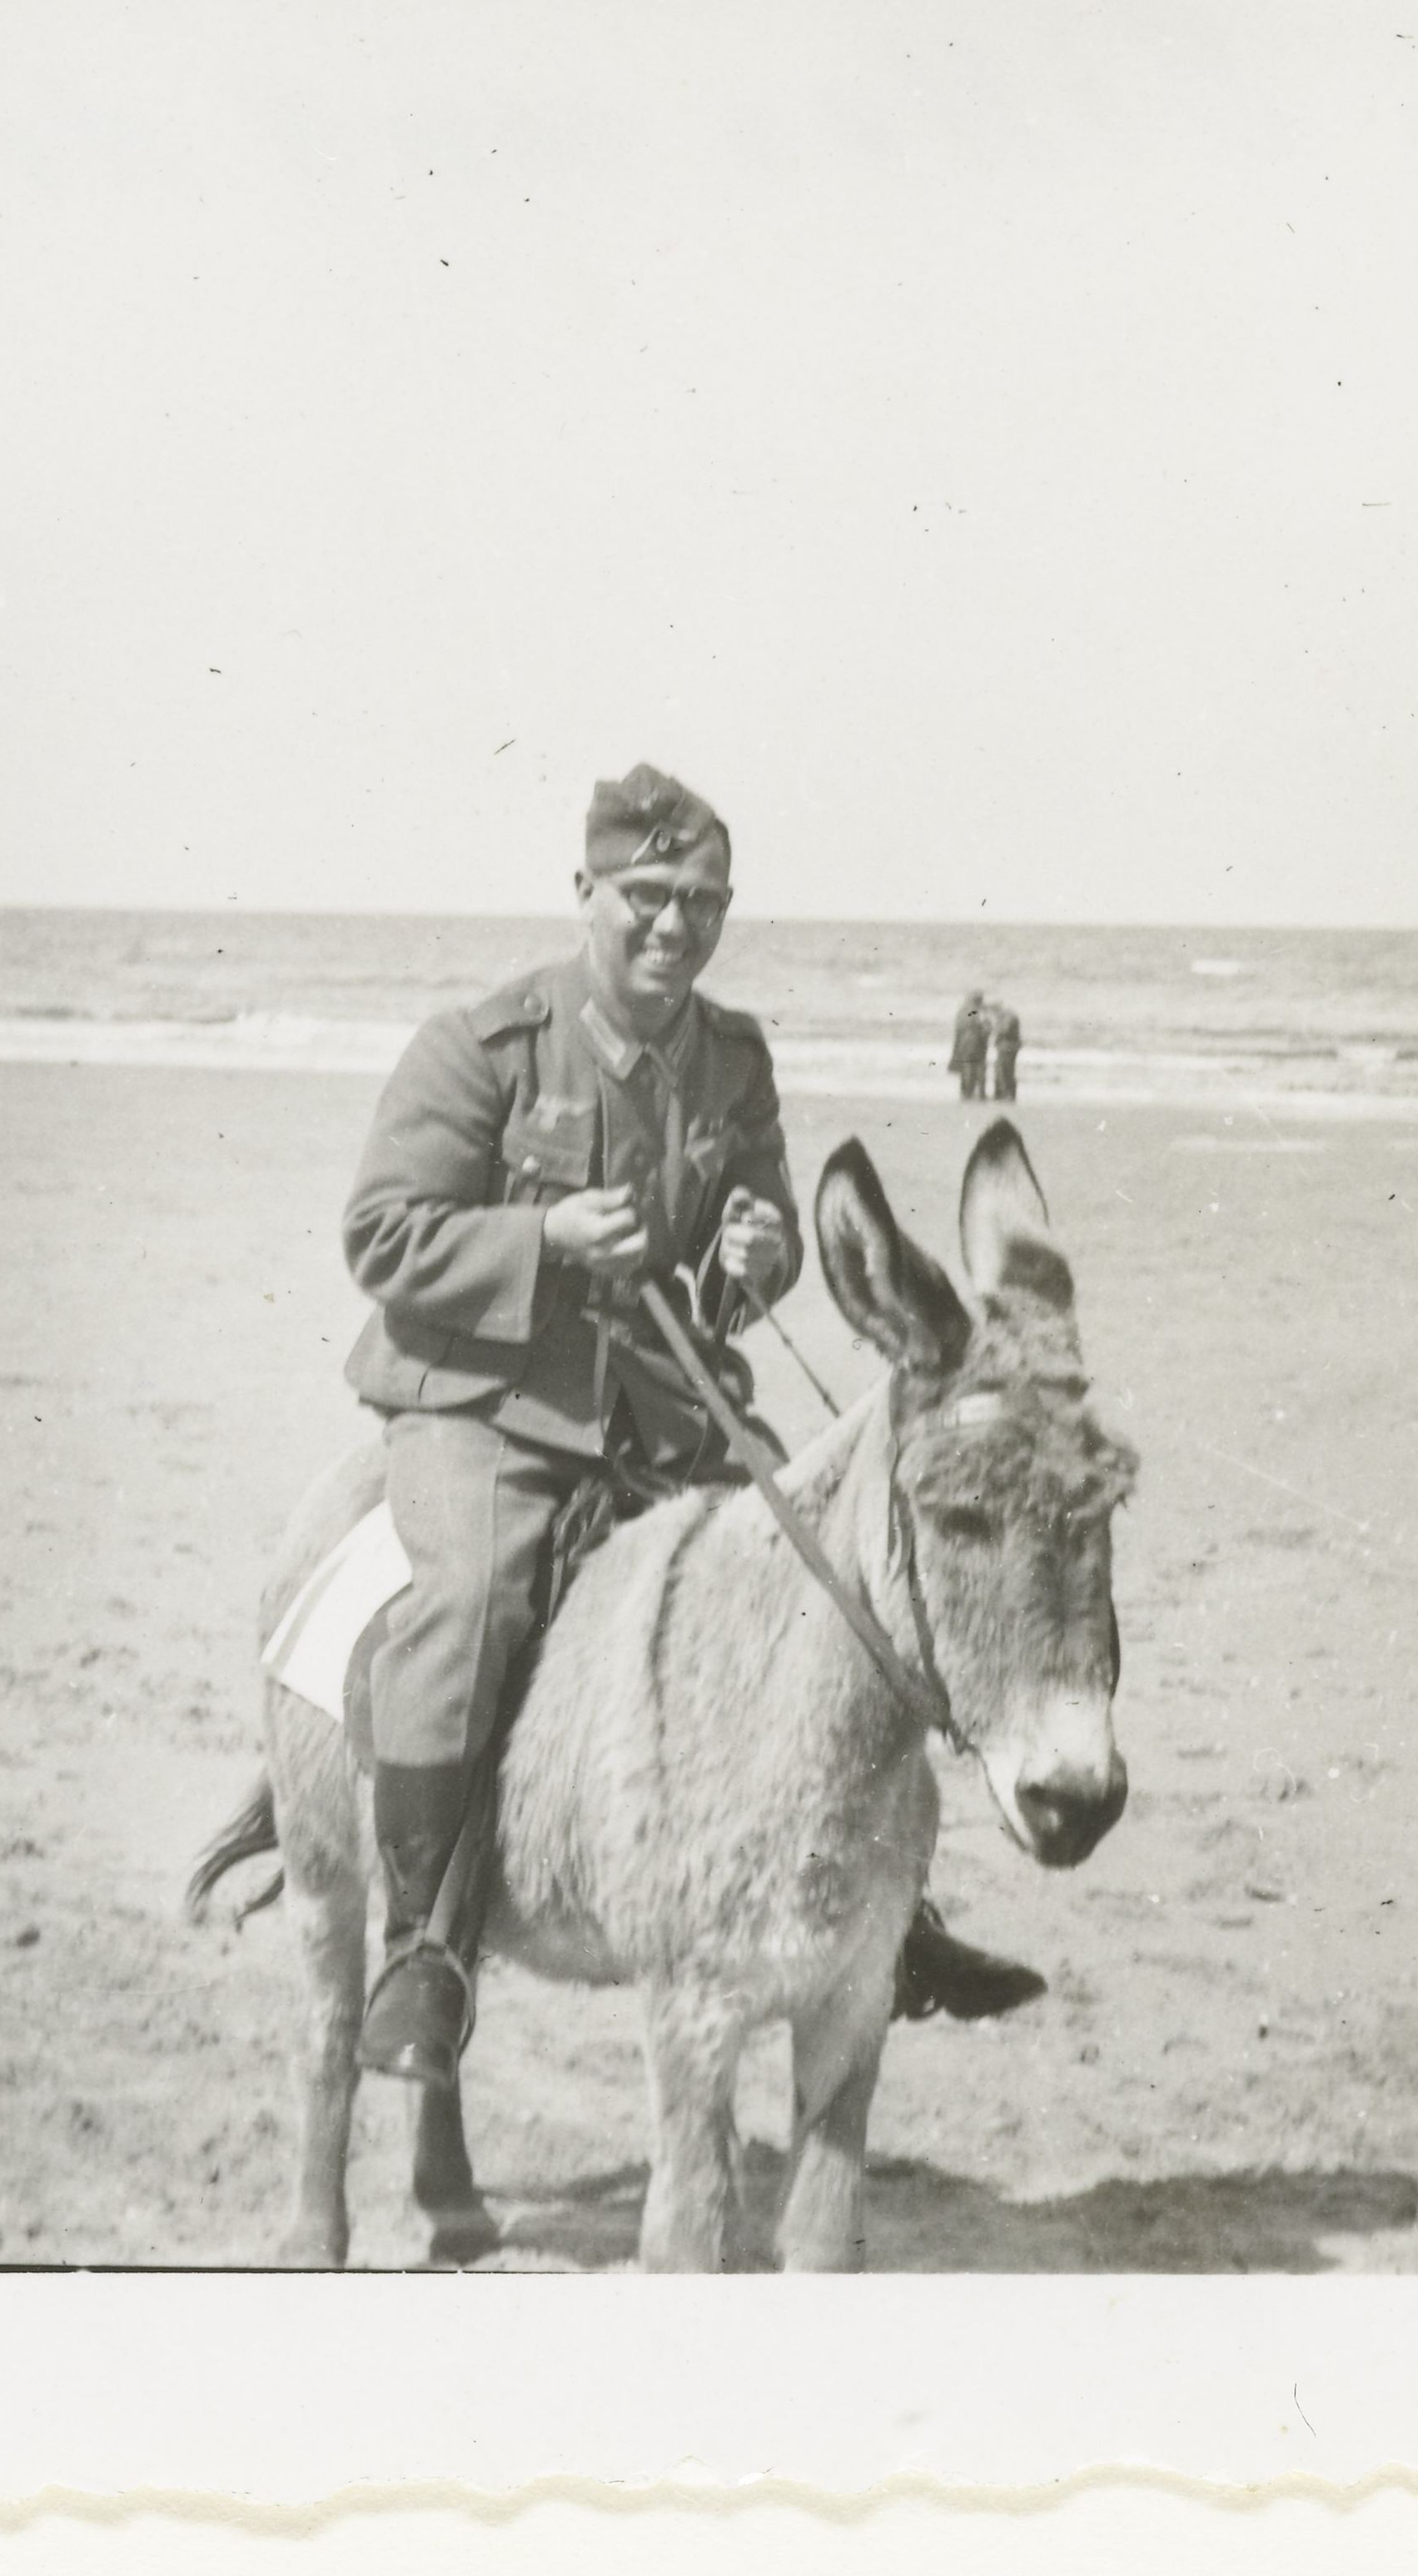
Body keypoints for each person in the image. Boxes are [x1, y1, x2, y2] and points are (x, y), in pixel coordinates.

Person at [339, 765, 1041, 2088]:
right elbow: (379, 1236)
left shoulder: (733, 1057)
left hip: (663, 1401)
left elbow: (747, 1251)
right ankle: (423, 1944)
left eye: (704, 903)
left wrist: (758, 1250)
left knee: (837, 1582)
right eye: (648, 899)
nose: (675, 928)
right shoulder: (478, 1046)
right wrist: (537, 1237)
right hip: (490, 1401)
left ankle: (901, 1920)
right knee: (475, 1599)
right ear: (586, 893)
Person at [948, 990, 991, 1101]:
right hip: (977, 1044)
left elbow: (958, 1030)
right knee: (979, 1068)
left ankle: (966, 1093)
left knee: (966, 1068)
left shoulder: (962, 1011)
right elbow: (986, 1028)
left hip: (963, 1044)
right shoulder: (979, 1011)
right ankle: (979, 1094)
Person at [985, 999, 1022, 1104]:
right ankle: (1003, 1094)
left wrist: (993, 1027)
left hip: (1008, 1047)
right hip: (1006, 1046)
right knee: (1002, 1070)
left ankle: (1008, 1095)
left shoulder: (1008, 1016)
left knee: (1005, 1071)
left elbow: (1005, 1030)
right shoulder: (1005, 1016)